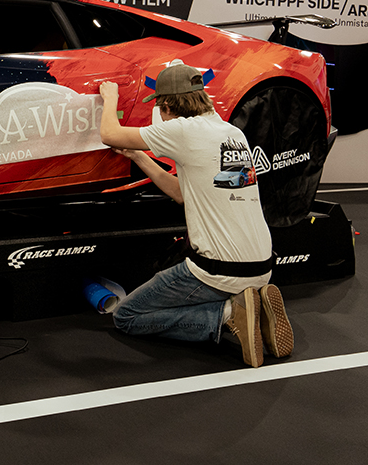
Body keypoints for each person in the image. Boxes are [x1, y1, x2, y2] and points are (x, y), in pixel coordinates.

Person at [97, 60, 292, 368]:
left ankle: (229, 316)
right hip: (262, 266)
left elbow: (109, 133)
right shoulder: (231, 134)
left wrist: (109, 98)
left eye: (160, 107)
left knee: (127, 315)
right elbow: (180, 193)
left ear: (168, 106)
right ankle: (253, 307)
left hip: (218, 270)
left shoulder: (182, 130)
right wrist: (138, 157)